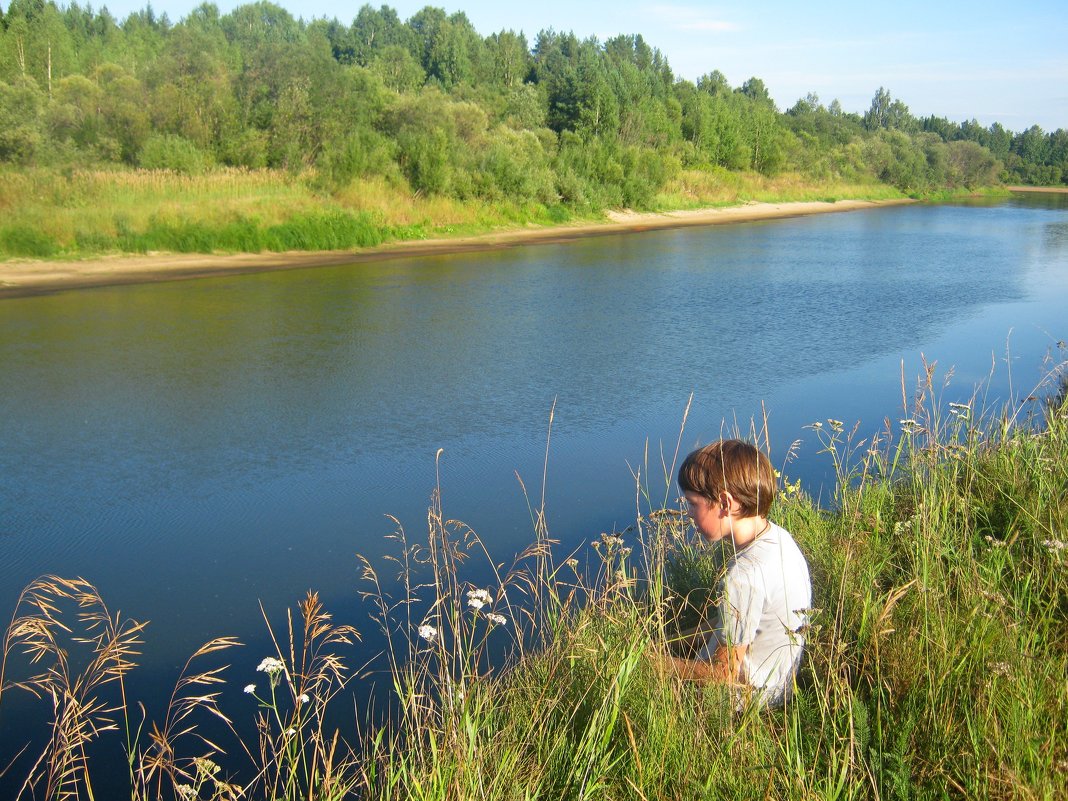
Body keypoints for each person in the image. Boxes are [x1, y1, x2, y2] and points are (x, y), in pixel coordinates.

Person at [663, 439, 811, 707]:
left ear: (724, 502)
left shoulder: (743, 576)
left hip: (751, 698)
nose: (688, 513)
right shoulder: (780, 539)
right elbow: (730, 624)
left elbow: (723, 674)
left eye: (693, 503)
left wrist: (655, 664)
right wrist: (674, 642)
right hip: (781, 682)